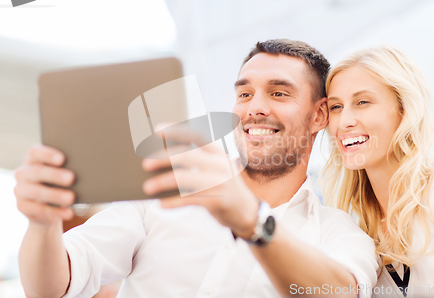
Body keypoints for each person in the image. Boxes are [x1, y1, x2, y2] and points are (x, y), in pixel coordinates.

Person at [15, 39, 378, 298]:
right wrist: (42, 224)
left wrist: (252, 222)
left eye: (279, 93)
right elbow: (50, 287)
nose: (255, 108)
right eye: (245, 94)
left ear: (318, 115)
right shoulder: (157, 197)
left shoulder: (338, 233)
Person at [321, 45, 434, 297]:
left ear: (404, 109)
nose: (344, 121)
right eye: (336, 107)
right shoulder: (357, 232)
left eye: (362, 102)